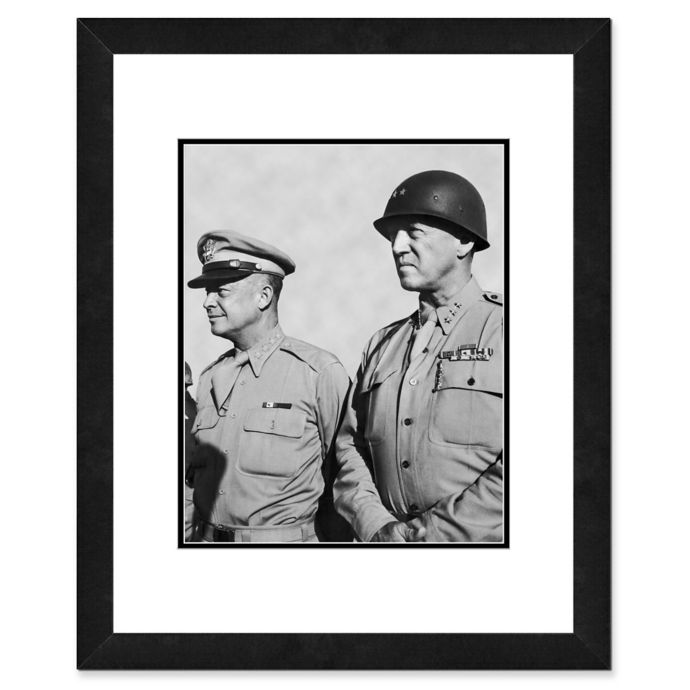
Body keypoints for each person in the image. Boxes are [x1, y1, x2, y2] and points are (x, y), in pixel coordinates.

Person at [333, 170, 503, 542]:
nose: (397, 247)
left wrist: (427, 535)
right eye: (393, 236)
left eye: (414, 232)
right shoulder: (382, 345)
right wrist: (377, 527)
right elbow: (350, 447)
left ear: (463, 241)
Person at [186, 230, 350, 543]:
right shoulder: (209, 379)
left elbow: (349, 474)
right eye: (207, 292)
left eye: (221, 291)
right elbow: (192, 481)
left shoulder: (317, 373)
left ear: (263, 296)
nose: (207, 302)